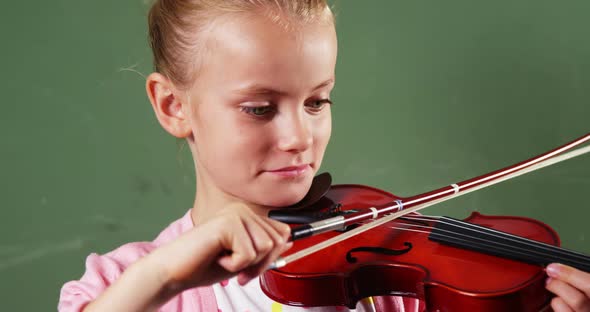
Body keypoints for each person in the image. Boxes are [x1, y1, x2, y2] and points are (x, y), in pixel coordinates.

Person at [58, 1, 590, 311]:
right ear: (174, 106)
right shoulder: (124, 284)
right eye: (260, 108)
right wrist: (165, 277)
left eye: (316, 101)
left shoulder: (392, 279)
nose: (299, 137)